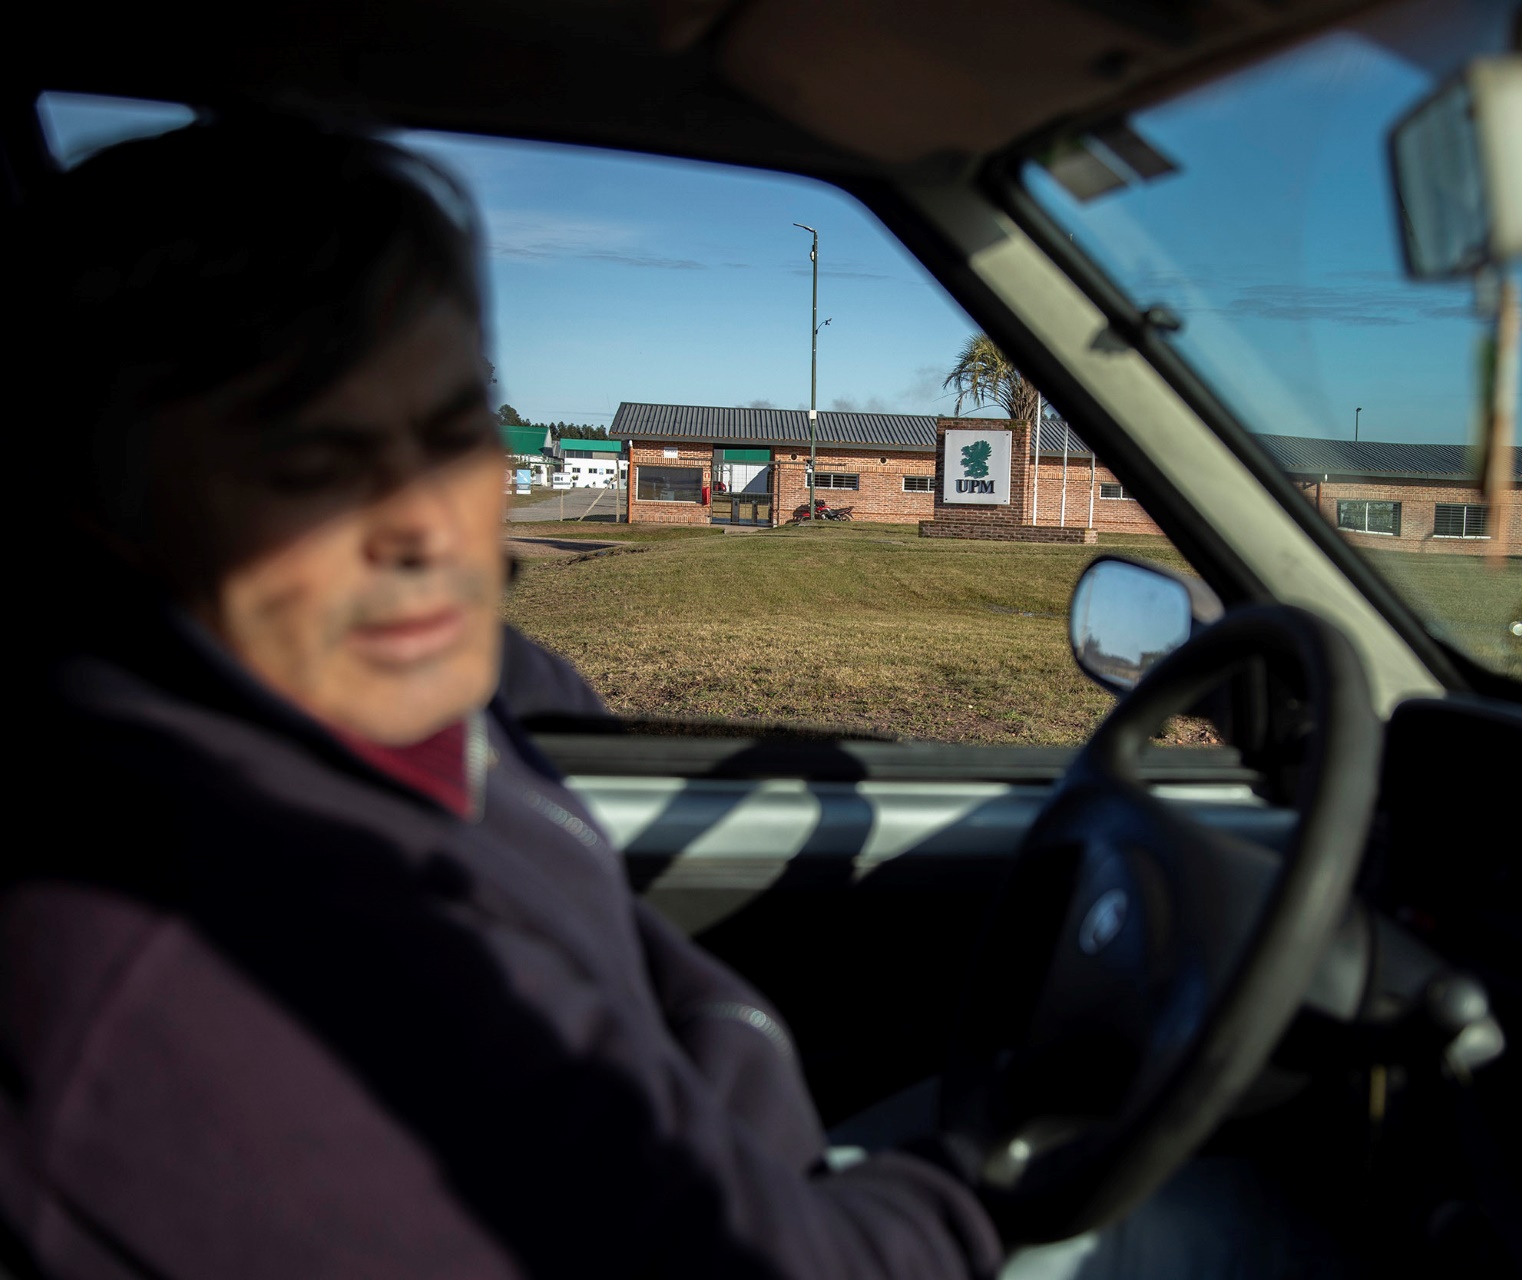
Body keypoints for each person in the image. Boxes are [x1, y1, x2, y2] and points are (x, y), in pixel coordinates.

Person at [0, 116, 1001, 1279]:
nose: (427, 524)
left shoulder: (392, 696)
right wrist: (995, 1184)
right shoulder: (216, 960)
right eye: (311, 466)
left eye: (452, 427)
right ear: (106, 514)